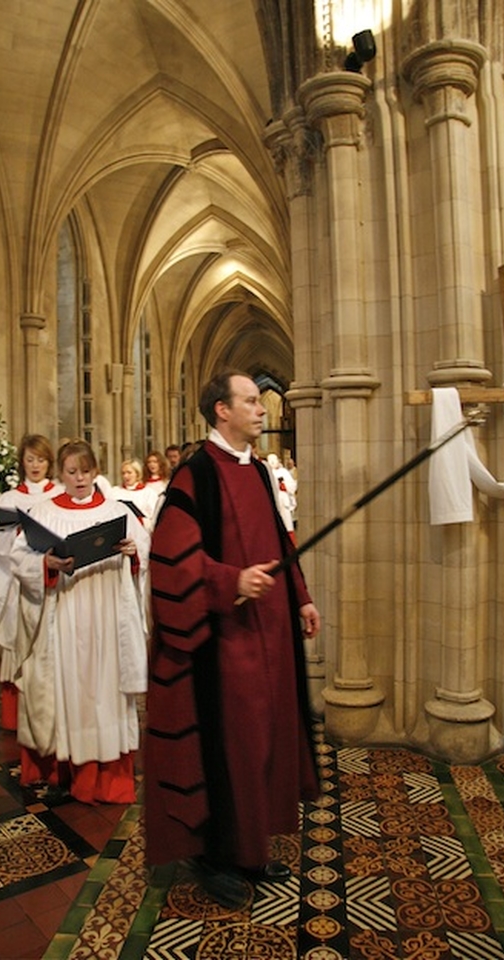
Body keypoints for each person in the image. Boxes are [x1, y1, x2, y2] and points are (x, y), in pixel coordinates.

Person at [144, 370, 321, 908]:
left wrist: (301, 596)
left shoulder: (262, 472)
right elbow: (170, 563)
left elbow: (280, 541)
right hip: (222, 646)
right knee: (231, 747)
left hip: (271, 635)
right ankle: (216, 854)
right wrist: (230, 581)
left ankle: (251, 846)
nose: (262, 409)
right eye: (250, 401)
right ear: (221, 410)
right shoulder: (193, 476)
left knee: (266, 741)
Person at [10, 438, 150, 804]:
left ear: (96, 471)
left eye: (86, 471)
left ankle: (106, 780)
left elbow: (146, 555)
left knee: (103, 691)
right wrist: (47, 564)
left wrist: (134, 554)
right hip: (65, 617)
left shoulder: (118, 510)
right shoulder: (43, 512)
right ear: (61, 473)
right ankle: (66, 772)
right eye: (71, 472)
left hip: (107, 620)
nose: (80, 478)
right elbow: (19, 558)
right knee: (65, 688)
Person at [0, 434, 60, 730]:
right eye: (30, 459)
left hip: (51, 582)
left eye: (40, 459)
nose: (35, 465)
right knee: (20, 646)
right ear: (22, 462)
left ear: (49, 462)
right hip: (20, 584)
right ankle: (16, 716)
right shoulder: (10, 499)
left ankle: (52, 712)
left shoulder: (59, 494)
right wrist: (16, 535)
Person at [111, 458, 160, 528]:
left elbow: (154, 518)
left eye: (129, 472)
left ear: (137, 474)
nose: (126, 476)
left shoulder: (148, 493)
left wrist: (141, 520)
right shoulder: (114, 491)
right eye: (123, 473)